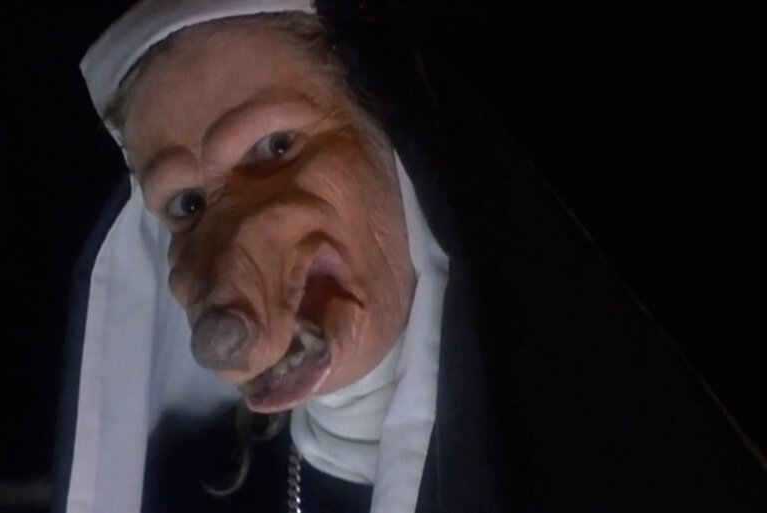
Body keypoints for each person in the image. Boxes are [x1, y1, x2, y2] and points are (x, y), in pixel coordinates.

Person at [53, 1, 767, 512]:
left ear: (392, 136)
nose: (229, 245)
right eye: (185, 203)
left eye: (276, 147)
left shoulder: (628, 445)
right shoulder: (203, 490)